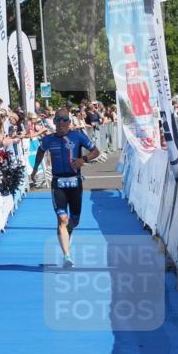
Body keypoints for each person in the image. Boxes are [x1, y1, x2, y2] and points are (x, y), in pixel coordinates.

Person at [30, 111, 100, 267]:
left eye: (65, 121)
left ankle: (67, 232)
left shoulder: (78, 136)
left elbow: (96, 151)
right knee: (62, 219)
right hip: (58, 183)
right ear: (54, 122)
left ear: (69, 122)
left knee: (74, 221)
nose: (61, 124)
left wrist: (83, 159)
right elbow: (41, 152)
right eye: (58, 121)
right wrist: (35, 169)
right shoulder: (48, 139)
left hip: (75, 183)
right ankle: (66, 256)